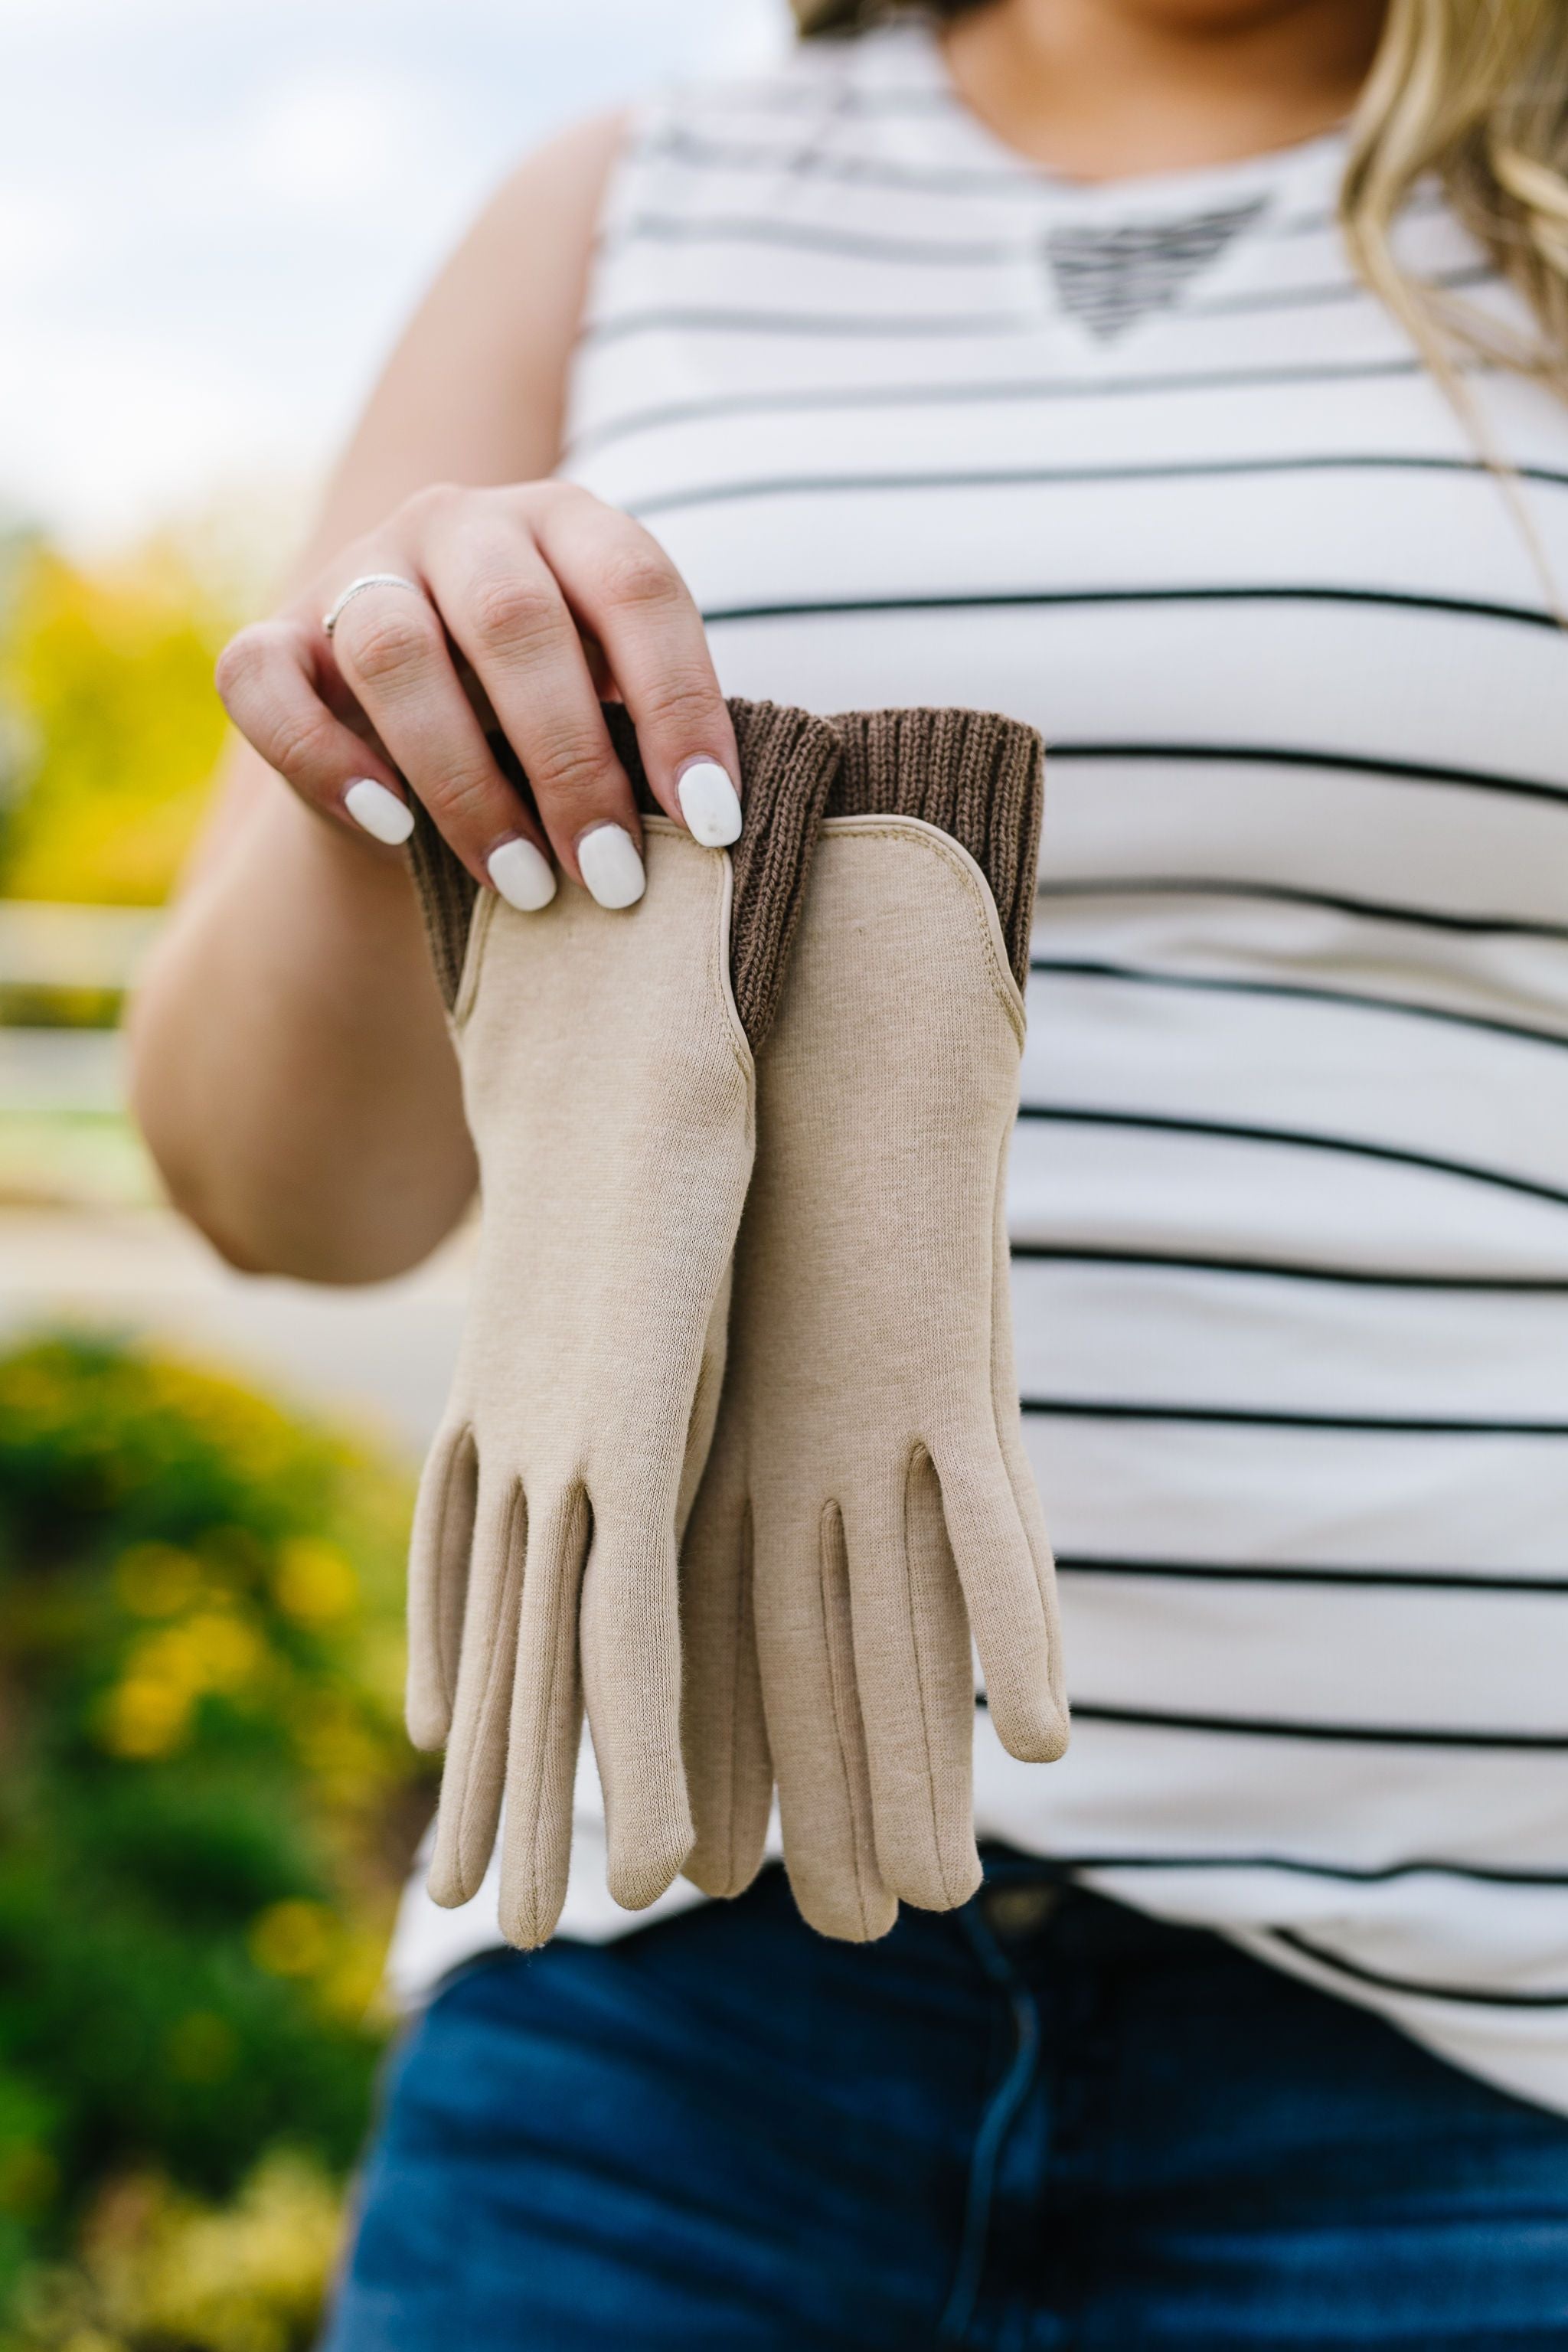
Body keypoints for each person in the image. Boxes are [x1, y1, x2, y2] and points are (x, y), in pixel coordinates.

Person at [129, 0, 1568, 2341]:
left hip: (1492, 2053)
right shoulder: (626, 207)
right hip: (663, 2009)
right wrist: (388, 755)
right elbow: (282, 1196)